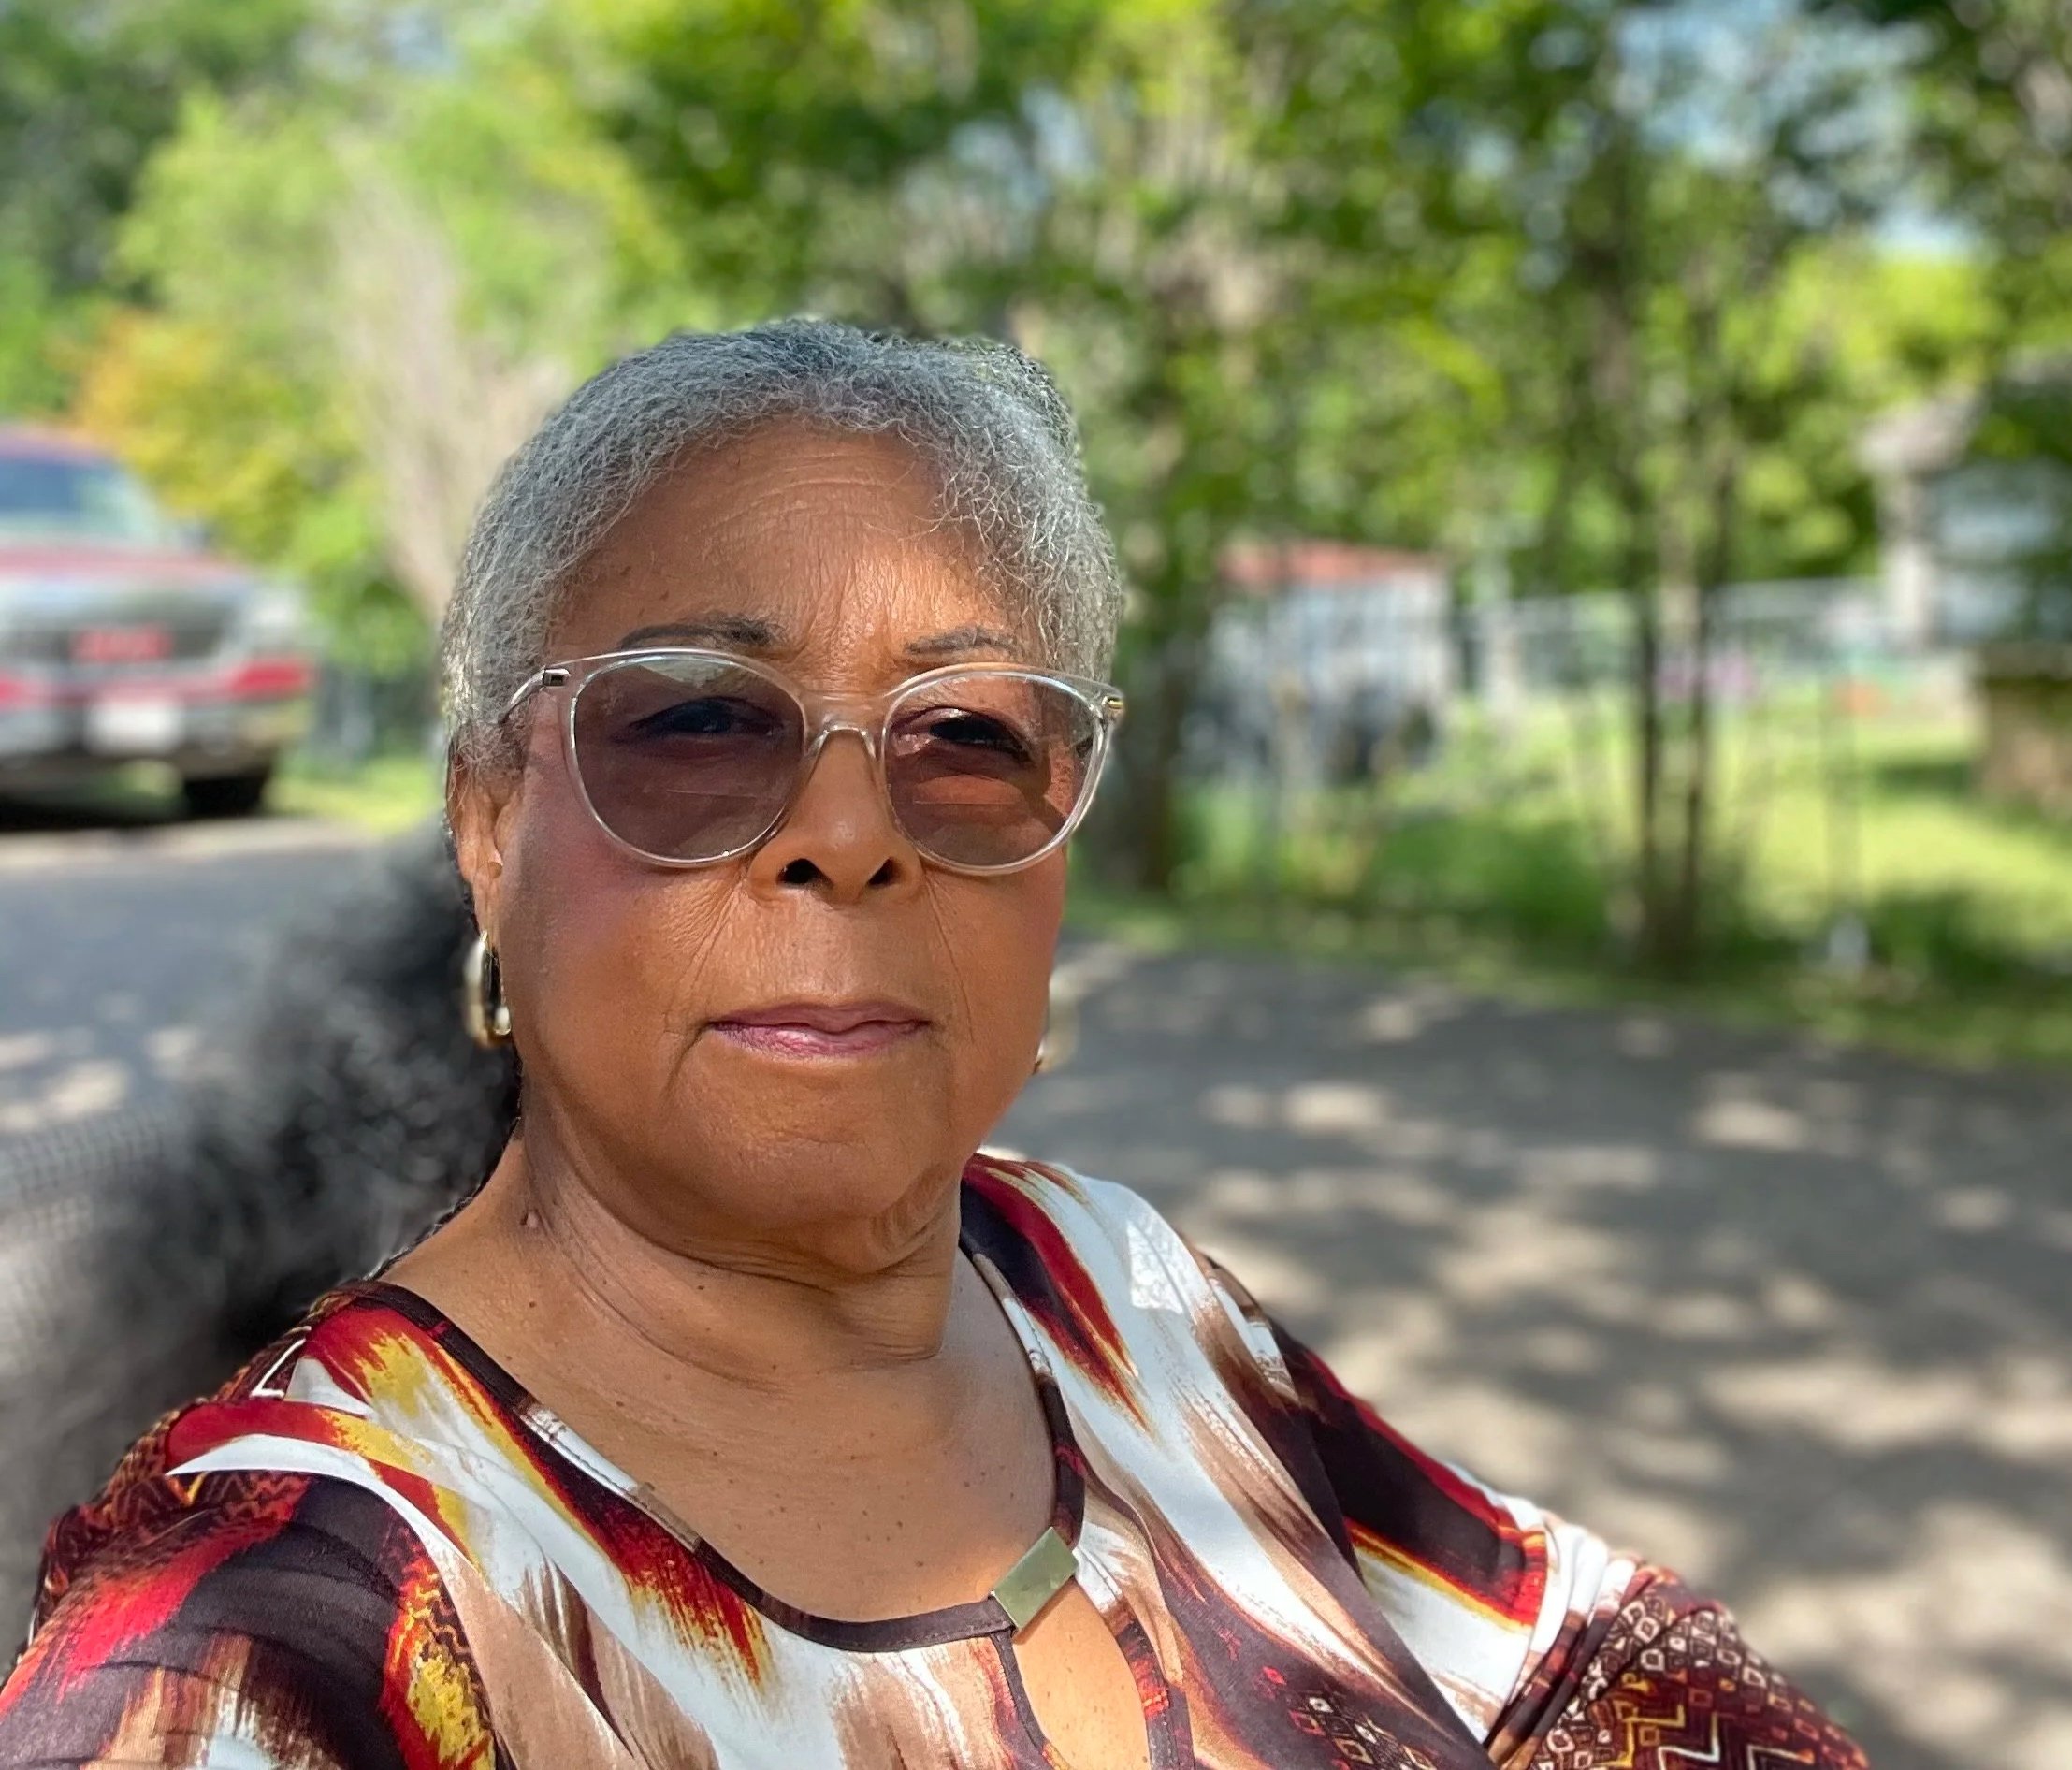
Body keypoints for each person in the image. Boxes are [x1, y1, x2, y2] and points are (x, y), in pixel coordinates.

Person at [0, 323, 1866, 1769]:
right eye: (700, 721)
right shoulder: (275, 1623)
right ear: (487, 819)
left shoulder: (1108, 1283)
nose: (852, 829)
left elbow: (1570, 1662)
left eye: (970, 737)